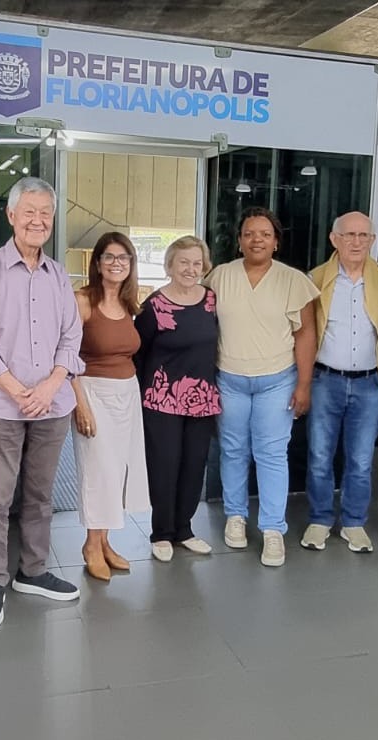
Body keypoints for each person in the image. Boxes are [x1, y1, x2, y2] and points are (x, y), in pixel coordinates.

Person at [0, 177, 84, 628]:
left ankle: (32, 570)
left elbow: (72, 337)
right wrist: (19, 392)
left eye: (46, 214)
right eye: (29, 211)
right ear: (11, 215)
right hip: (0, 405)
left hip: (52, 406)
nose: (38, 220)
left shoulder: (58, 276)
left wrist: (52, 385)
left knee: (40, 494)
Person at [203, 207, 319, 567]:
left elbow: (306, 335)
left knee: (270, 455)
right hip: (230, 379)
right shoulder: (219, 276)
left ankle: (272, 530)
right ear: (239, 240)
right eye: (249, 233)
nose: (257, 240)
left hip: (277, 380)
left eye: (265, 234)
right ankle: (235, 517)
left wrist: (304, 384)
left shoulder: (293, 280)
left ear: (276, 241)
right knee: (233, 450)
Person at [301, 212, 378, 554]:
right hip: (326, 380)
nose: (357, 242)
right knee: (320, 454)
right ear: (334, 239)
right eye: (350, 235)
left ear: (372, 240)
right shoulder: (315, 279)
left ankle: (354, 523)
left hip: (371, 384)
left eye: (364, 236)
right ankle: (320, 519)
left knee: (361, 459)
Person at [135, 235, 220, 562]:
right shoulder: (154, 306)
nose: (190, 269)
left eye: (197, 263)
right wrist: (141, 396)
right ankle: (161, 533)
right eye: (183, 262)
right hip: (161, 401)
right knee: (164, 465)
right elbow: (138, 354)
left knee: (194, 466)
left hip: (202, 399)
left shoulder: (211, 300)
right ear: (169, 265)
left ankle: (184, 529)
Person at [71, 232, 149, 581]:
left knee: (117, 473)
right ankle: (90, 544)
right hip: (93, 392)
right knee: (98, 471)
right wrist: (80, 404)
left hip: (127, 394)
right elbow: (66, 354)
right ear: (98, 263)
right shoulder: (83, 301)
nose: (117, 263)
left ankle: (105, 541)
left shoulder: (131, 303)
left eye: (124, 258)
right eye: (110, 257)